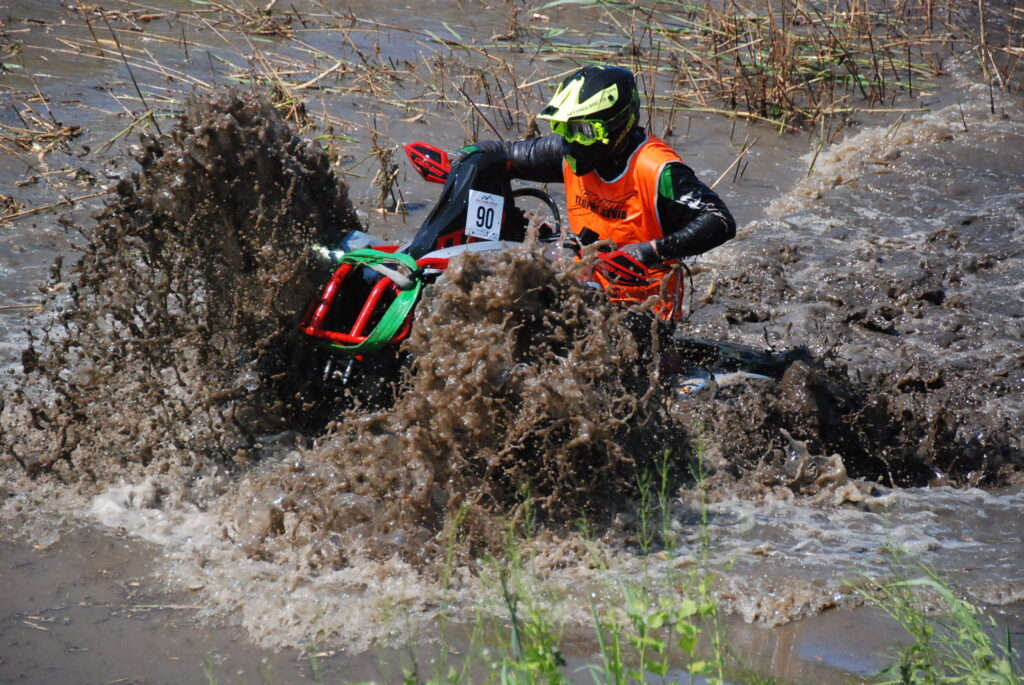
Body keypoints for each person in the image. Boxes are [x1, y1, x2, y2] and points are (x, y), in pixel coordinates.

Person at [465, 64, 735, 291]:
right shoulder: (565, 151)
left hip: (645, 310)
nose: (571, 142)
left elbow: (719, 220)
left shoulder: (657, 170)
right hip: (584, 289)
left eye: (585, 130)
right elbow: (502, 153)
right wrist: (460, 159)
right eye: (565, 128)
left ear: (619, 124)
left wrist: (651, 252)